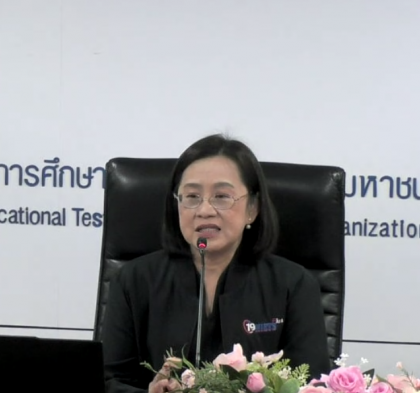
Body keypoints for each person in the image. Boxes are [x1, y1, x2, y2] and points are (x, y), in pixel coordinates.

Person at [101, 134, 331, 393]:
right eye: (192, 196)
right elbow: (108, 382)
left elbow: (311, 384)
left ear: (252, 208)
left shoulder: (293, 285)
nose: (205, 210)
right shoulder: (134, 281)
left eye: (221, 196)